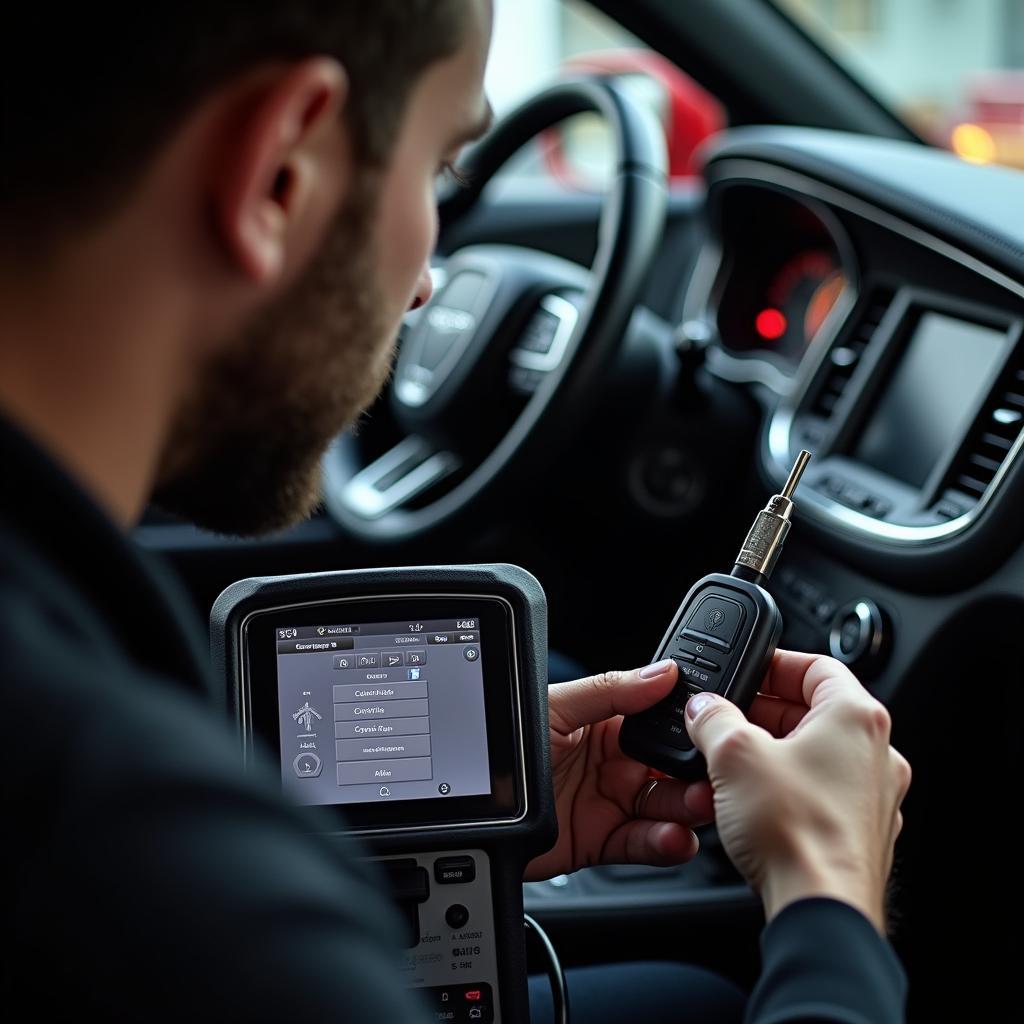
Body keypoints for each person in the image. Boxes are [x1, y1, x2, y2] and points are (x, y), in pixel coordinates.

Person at [0, 3, 911, 1021]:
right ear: (277, 174)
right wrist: (826, 889)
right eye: (439, 170)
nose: (433, 285)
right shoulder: (131, 865)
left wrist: (425, 832)